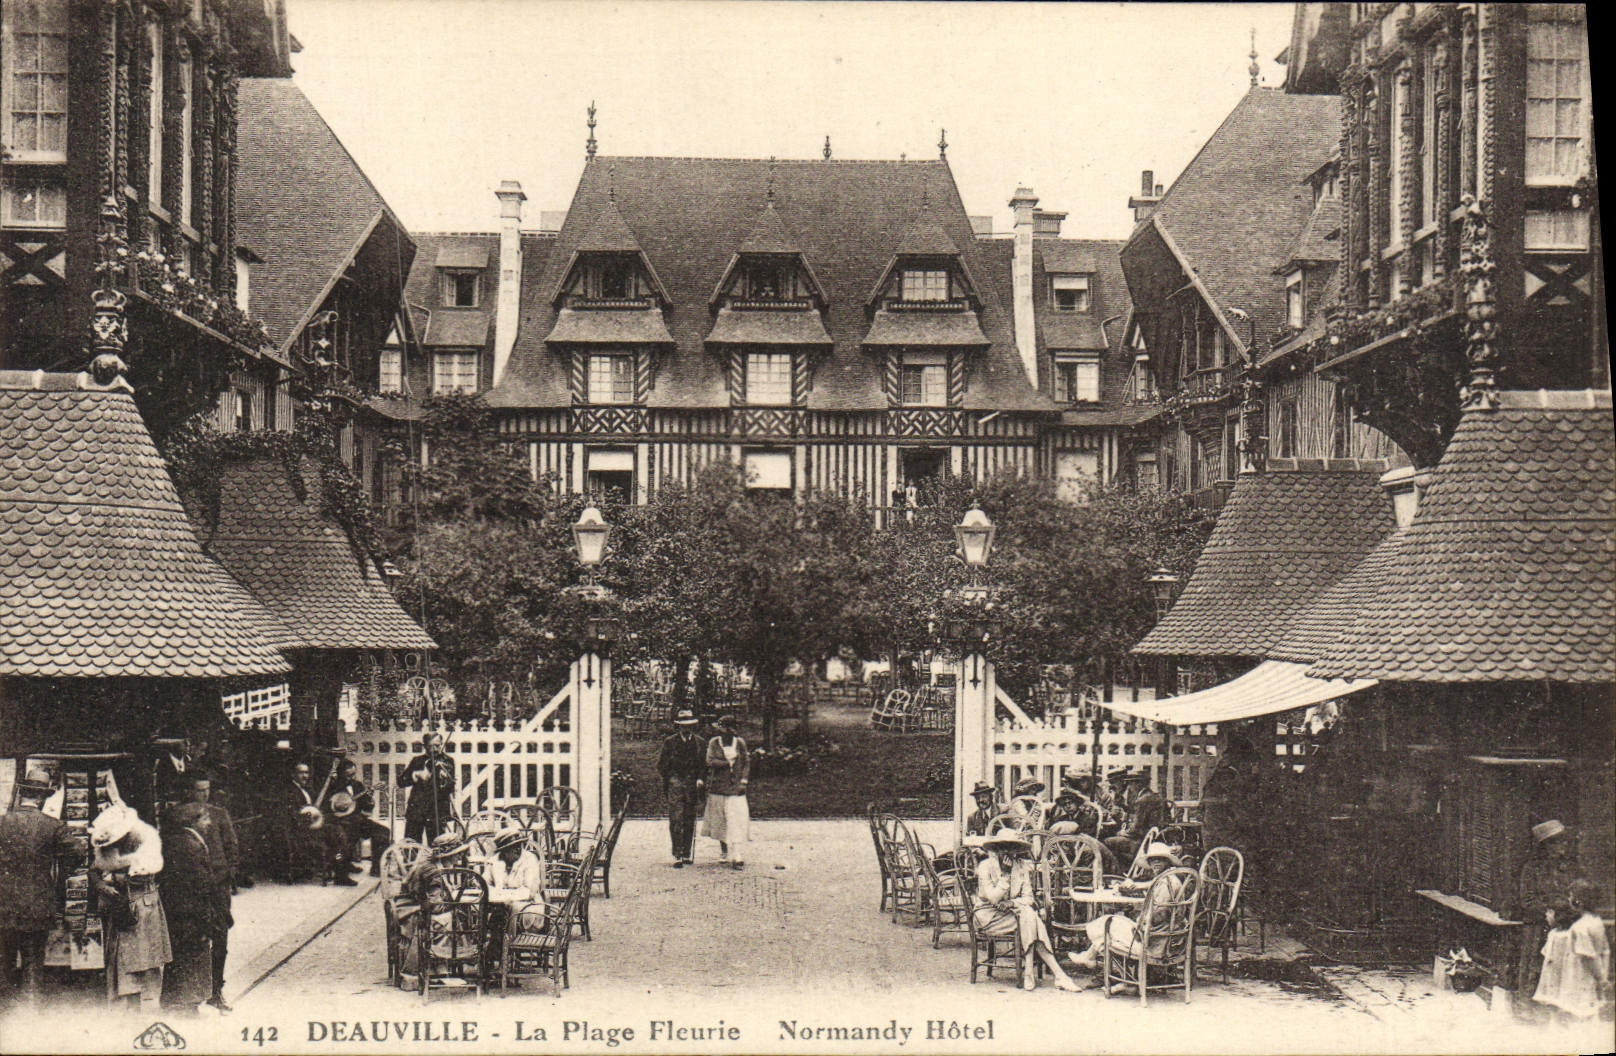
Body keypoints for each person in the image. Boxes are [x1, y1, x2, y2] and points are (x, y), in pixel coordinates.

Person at [0, 770, 78, 1006]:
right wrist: (60, 874)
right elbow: (77, 852)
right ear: (43, 798)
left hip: (3, 904)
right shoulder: (52, 826)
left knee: (3, 960)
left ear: (22, 793)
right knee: (33, 960)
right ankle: (31, 1013)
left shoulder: (2, 822)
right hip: (38, 903)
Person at [163, 771, 238, 1013]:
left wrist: (225, 878)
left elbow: (232, 849)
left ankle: (216, 990)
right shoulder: (179, 816)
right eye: (199, 790)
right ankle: (189, 994)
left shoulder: (219, 815)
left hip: (218, 887)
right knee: (191, 942)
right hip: (194, 889)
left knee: (220, 940)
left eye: (207, 790)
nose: (204, 795)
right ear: (189, 791)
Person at [972, 829, 1080, 992]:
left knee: (1028, 916)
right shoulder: (985, 866)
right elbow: (993, 898)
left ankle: (1032, 971)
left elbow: (1028, 898)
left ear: (1016, 850)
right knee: (1030, 917)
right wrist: (1005, 876)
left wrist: (1012, 903)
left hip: (1012, 914)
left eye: (1012, 848)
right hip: (988, 916)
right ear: (996, 849)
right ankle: (1056, 974)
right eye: (1003, 848)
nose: (1007, 852)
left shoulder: (1022, 866)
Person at [90, 803, 172, 1012]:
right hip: (117, 905)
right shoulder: (107, 843)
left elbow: (145, 872)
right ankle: (124, 1000)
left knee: (141, 956)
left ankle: (141, 1002)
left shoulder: (146, 837)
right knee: (119, 955)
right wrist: (101, 886)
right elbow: (95, 869)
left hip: (141, 904)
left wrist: (117, 877)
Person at [1071, 842, 1186, 972]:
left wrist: (1139, 922)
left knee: (1107, 924)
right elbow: (1153, 887)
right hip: (1161, 936)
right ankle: (1092, 959)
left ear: (1168, 862)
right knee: (1109, 922)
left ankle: (1119, 975)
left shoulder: (1167, 884)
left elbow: (1160, 914)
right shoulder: (1169, 879)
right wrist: (1136, 887)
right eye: (1152, 860)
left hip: (1155, 943)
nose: (1156, 863)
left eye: (1160, 859)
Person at [158, 810, 224, 1016]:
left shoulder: (170, 840)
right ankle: (188, 1003)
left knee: (177, 953)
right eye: (205, 818)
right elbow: (203, 883)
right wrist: (210, 912)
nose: (208, 822)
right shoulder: (193, 846)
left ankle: (170, 998)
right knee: (195, 953)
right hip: (193, 910)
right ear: (194, 822)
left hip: (174, 907)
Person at [1515, 819, 1583, 1007]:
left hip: (1564, 923)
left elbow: (1576, 892)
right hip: (1538, 924)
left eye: (1564, 841)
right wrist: (1546, 912)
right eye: (1558, 841)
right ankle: (1526, 1006)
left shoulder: (1568, 867)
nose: (1563, 845)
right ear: (1546, 846)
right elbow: (1527, 900)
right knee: (1533, 966)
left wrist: (1573, 906)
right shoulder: (1532, 869)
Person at [1533, 878, 1612, 1022]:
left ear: (1578, 902)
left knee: (1577, 1015)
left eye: (1570, 897)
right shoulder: (1596, 922)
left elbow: (1588, 956)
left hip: (1580, 975)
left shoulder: (1579, 928)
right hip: (1591, 975)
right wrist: (1603, 974)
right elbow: (1604, 952)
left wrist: (1601, 979)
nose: (1569, 900)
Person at [657, 710, 707, 867]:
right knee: (676, 818)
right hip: (676, 782)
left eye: (690, 726)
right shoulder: (670, 742)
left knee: (689, 817)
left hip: (692, 783)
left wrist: (700, 778)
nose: (687, 729)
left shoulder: (700, 742)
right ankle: (677, 853)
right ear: (678, 727)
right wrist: (671, 778)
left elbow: (703, 765)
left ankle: (686, 853)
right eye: (683, 726)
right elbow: (662, 765)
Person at [700, 714, 750, 869]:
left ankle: (737, 854)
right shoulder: (714, 742)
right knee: (721, 820)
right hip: (718, 787)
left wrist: (744, 781)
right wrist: (727, 763)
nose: (721, 732)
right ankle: (724, 850)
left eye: (723, 729)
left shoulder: (739, 743)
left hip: (735, 788)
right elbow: (710, 761)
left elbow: (746, 762)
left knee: (736, 820)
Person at [1104, 771, 1167, 868]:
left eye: (1130, 783)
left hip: (1141, 842)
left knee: (1107, 841)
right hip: (1155, 837)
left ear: (1138, 784)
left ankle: (1118, 870)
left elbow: (1135, 829)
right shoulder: (1154, 796)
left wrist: (1122, 833)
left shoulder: (1142, 800)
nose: (1129, 787)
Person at [403, 733, 457, 845]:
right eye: (431, 746)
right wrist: (415, 775)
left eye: (438, 745)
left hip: (436, 810)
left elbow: (450, 788)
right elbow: (401, 781)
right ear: (425, 746)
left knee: (438, 846)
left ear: (442, 744)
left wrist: (444, 780)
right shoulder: (417, 761)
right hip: (417, 810)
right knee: (411, 845)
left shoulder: (447, 761)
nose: (435, 749)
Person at [279, 762, 322, 882]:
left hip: (311, 825)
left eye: (307, 772)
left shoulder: (307, 789)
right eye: (301, 772)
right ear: (293, 775)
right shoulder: (290, 791)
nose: (305, 776)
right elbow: (293, 814)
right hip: (298, 828)